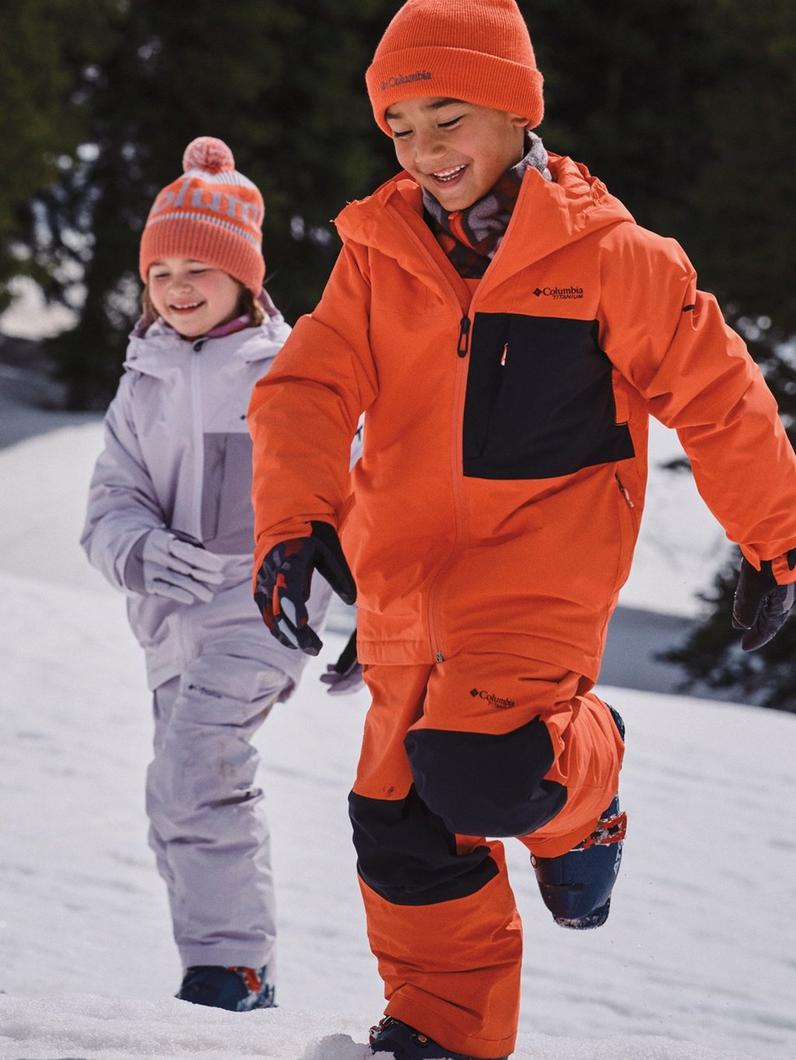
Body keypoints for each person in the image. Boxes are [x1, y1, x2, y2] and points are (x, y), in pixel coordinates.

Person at [247, 1, 796, 1056]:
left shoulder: (612, 256)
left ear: (513, 109)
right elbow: (309, 384)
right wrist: (294, 515)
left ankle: (585, 786)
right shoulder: (379, 250)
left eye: (446, 119)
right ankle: (442, 1031)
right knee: (397, 824)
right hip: (404, 578)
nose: (423, 151)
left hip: (537, 579)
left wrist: (777, 534)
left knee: (481, 767)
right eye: (399, 128)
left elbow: (719, 393)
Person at [81, 136, 350, 1012]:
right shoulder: (144, 379)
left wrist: (375, 617)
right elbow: (108, 504)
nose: (178, 287)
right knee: (179, 793)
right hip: (167, 626)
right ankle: (231, 968)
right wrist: (141, 550)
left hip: (260, 615)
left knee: (197, 768)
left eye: (201, 266)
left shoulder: (286, 373)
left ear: (245, 276)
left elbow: (351, 502)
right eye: (161, 270)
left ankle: (229, 966)